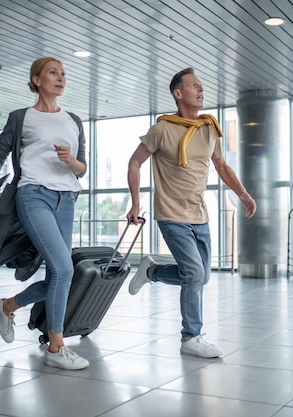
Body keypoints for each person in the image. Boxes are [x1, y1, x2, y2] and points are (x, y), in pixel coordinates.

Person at [125, 67, 257, 358]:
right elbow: (135, 163)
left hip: (200, 216)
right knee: (195, 273)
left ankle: (152, 271)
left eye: (201, 86)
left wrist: (244, 195)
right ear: (178, 93)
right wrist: (135, 203)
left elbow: (221, 166)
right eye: (194, 85)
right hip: (170, 214)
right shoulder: (162, 129)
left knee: (200, 275)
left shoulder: (209, 128)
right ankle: (191, 337)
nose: (201, 90)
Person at [0, 57, 89, 370]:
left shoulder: (74, 120)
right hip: (33, 194)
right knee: (64, 270)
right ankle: (56, 347)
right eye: (53, 73)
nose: (60, 78)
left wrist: (71, 161)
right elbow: (2, 150)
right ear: (37, 80)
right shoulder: (21, 117)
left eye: (63, 74)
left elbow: (82, 168)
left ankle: (7, 306)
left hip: (66, 198)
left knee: (61, 274)